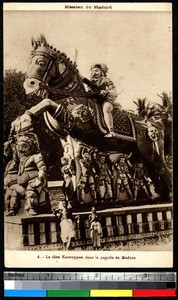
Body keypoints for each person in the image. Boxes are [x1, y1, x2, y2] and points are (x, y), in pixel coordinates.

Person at [83, 64, 118, 137]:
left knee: (106, 109)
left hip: (106, 100)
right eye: (92, 71)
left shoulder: (106, 80)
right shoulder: (91, 82)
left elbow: (114, 92)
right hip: (94, 101)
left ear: (101, 72)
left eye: (96, 70)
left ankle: (111, 131)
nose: (94, 73)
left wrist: (106, 92)